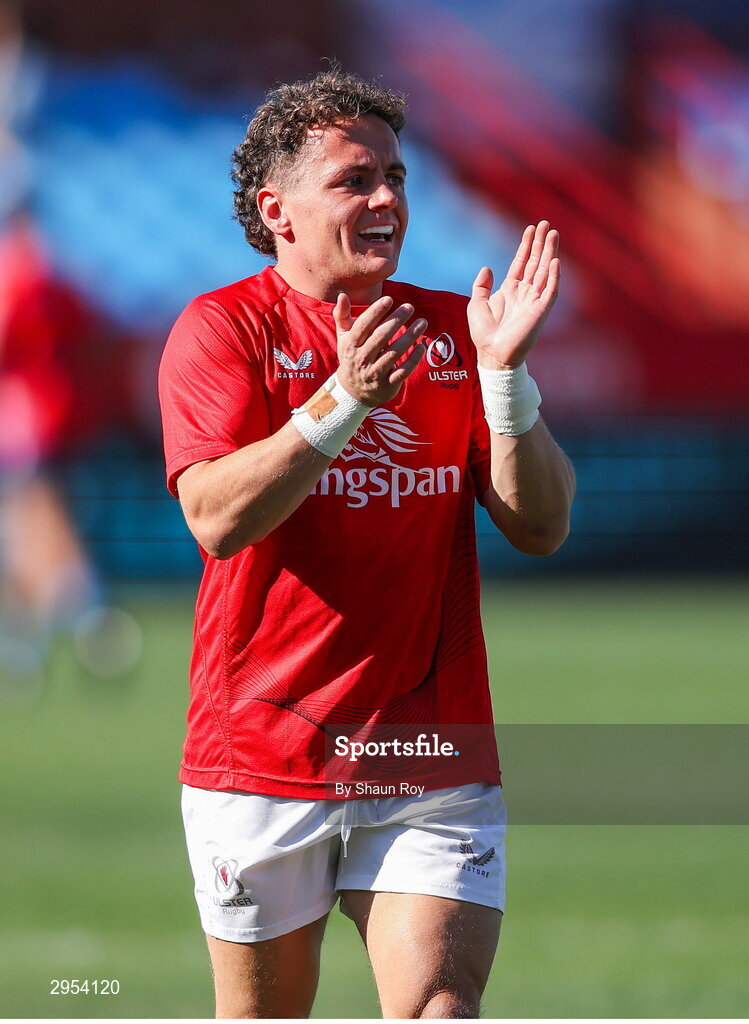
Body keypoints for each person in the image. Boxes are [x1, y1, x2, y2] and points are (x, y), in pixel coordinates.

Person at [158, 68, 575, 1019]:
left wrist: (505, 378)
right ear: (280, 211)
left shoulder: (449, 334)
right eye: (355, 180)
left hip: (428, 747)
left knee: (439, 1005)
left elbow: (541, 526)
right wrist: (342, 403)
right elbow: (217, 519)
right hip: (264, 749)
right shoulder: (222, 331)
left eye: (395, 175)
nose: (387, 197)